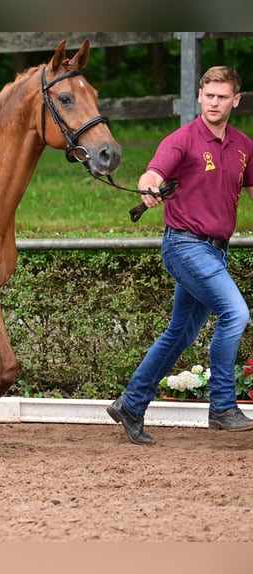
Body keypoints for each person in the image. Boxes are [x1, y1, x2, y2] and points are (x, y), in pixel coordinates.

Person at [108, 66, 253, 445]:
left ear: (235, 100)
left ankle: (131, 404)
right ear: (199, 97)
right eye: (209, 96)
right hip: (184, 245)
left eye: (222, 97)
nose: (214, 103)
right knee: (236, 313)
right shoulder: (183, 139)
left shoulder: (243, 145)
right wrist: (149, 188)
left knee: (178, 334)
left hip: (215, 252)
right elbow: (151, 174)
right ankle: (222, 405)